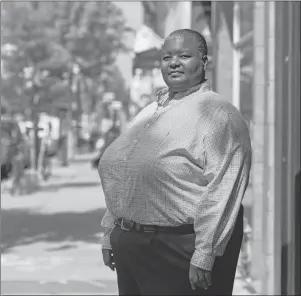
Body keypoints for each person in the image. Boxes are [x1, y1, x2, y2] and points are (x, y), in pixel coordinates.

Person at [98, 29, 252, 295]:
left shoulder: (218, 114)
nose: (174, 62)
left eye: (184, 55)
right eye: (167, 57)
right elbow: (125, 174)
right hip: (132, 246)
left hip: (177, 249)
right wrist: (110, 232)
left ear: (205, 61)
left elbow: (224, 189)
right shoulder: (150, 111)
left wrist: (205, 254)